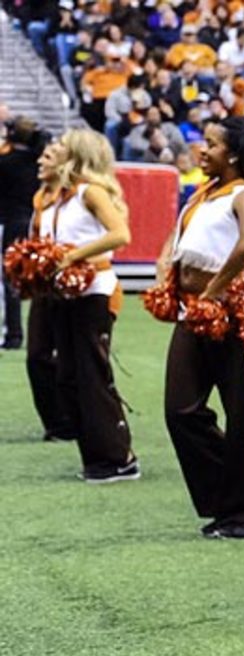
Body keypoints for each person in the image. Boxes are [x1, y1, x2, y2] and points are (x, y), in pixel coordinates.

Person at [156, 116, 244, 539]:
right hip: (193, 311)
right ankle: (230, 498)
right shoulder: (204, 192)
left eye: (210, 144)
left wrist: (215, 288)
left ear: (232, 153)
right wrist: (164, 268)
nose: (201, 150)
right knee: (180, 409)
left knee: (243, 412)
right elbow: (177, 238)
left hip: (229, 313)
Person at [47, 129, 139, 483]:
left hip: (94, 292)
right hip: (69, 293)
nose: (54, 149)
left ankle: (118, 457)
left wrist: (72, 256)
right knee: (69, 376)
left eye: (62, 146)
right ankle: (96, 454)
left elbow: (121, 234)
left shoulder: (91, 191)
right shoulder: (64, 195)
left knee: (91, 376)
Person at [25, 138, 73, 441]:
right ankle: (57, 423)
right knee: (37, 355)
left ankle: (82, 419)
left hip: (75, 285)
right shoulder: (41, 197)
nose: (40, 161)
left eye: (48, 157)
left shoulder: (78, 196)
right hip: (46, 284)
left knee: (76, 360)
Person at [0, 117, 46, 349]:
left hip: (11, 222)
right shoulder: (38, 160)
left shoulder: (6, 162)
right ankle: (42, 332)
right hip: (35, 222)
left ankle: (14, 333)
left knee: (10, 279)